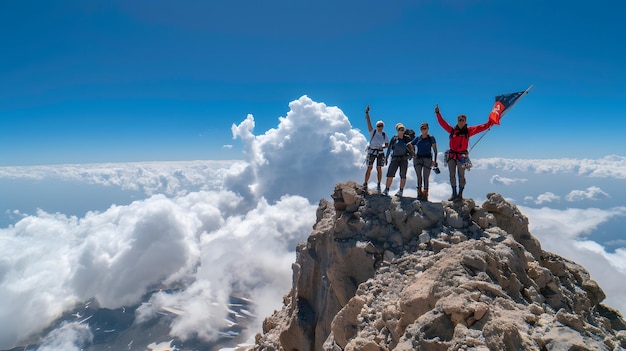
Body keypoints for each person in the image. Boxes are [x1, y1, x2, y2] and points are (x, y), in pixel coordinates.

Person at [435, 104, 494, 201]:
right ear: (457, 121)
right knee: (452, 175)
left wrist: (490, 123)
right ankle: (454, 194)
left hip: (462, 156)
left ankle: (460, 194)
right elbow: (442, 123)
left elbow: (481, 127)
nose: (461, 122)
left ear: (465, 121)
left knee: (461, 175)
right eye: (459, 120)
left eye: (463, 120)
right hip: (452, 155)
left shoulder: (468, 131)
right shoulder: (452, 130)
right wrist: (438, 113)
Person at [382, 123, 414, 197]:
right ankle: (387, 189)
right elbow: (389, 148)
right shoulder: (394, 138)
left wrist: (410, 156)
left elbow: (411, 148)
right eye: (400, 129)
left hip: (404, 159)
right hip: (395, 158)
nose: (402, 131)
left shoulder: (406, 138)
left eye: (403, 129)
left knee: (403, 175)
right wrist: (386, 157)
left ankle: (401, 191)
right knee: (390, 174)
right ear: (397, 130)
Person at [363, 105, 389, 193]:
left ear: (383, 126)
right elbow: (368, 122)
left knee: (379, 168)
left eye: (381, 125)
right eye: (378, 125)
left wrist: (382, 147)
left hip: (380, 152)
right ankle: (365, 184)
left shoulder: (384, 134)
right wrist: (367, 113)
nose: (379, 127)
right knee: (369, 168)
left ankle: (378, 184)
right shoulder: (372, 132)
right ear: (376, 126)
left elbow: (387, 144)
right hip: (372, 151)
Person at [410, 122, 438, 201]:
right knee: (419, 176)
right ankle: (419, 193)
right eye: (422, 128)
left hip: (427, 159)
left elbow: (435, 150)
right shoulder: (418, 138)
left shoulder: (431, 138)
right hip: (418, 158)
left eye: (424, 128)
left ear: (428, 129)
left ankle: (425, 194)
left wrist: (434, 161)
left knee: (426, 177)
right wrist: (413, 153)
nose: (423, 129)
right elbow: (410, 144)